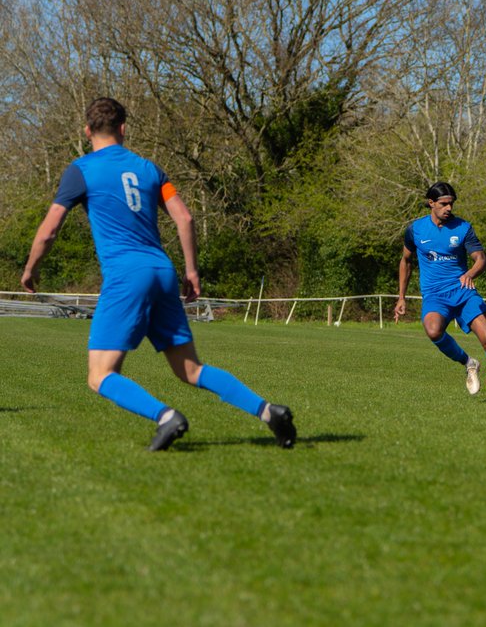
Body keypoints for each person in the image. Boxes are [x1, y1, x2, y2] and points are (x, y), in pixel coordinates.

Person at [20, 97, 296, 451]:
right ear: (123, 128)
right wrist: (192, 271)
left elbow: (49, 230)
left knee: (100, 374)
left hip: (126, 276)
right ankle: (268, 411)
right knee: (190, 370)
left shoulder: (82, 169)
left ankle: (166, 417)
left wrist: (30, 270)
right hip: (162, 271)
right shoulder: (150, 169)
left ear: (87, 131)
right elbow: (185, 218)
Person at [395, 181, 486, 403]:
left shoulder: (463, 228)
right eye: (444, 204)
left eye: (451, 204)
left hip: (463, 291)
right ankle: (469, 363)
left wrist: (470, 273)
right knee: (433, 330)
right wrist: (401, 297)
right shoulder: (415, 230)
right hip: (435, 295)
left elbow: (481, 259)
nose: (449, 208)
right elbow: (406, 261)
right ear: (431, 203)